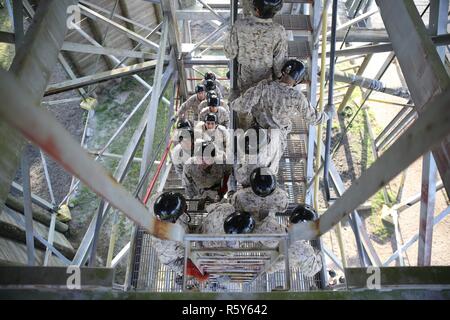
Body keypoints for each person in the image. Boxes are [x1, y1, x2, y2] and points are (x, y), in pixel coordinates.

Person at [230, 59, 328, 143]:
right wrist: (328, 114)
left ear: (283, 71)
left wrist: (233, 99)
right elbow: (313, 119)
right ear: (298, 80)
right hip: (277, 139)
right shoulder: (297, 97)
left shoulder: (264, 86)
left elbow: (240, 105)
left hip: (257, 131)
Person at [224, 0, 287, 96]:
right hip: (266, 84)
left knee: (244, 104)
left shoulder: (239, 25)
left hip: (245, 81)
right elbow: (279, 63)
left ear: (256, 9)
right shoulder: (279, 30)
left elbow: (229, 52)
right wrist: (279, 77)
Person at [264, 204, 323, 277]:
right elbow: (311, 271)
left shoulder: (271, 225)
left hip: (264, 250)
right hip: (268, 264)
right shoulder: (304, 251)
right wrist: (316, 254)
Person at [182, 141, 232, 208]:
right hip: (198, 191)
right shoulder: (189, 166)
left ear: (213, 158)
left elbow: (229, 174)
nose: (202, 162)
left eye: (206, 159)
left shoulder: (223, 162)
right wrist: (193, 197)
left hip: (216, 190)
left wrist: (223, 190)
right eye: (199, 158)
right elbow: (187, 184)